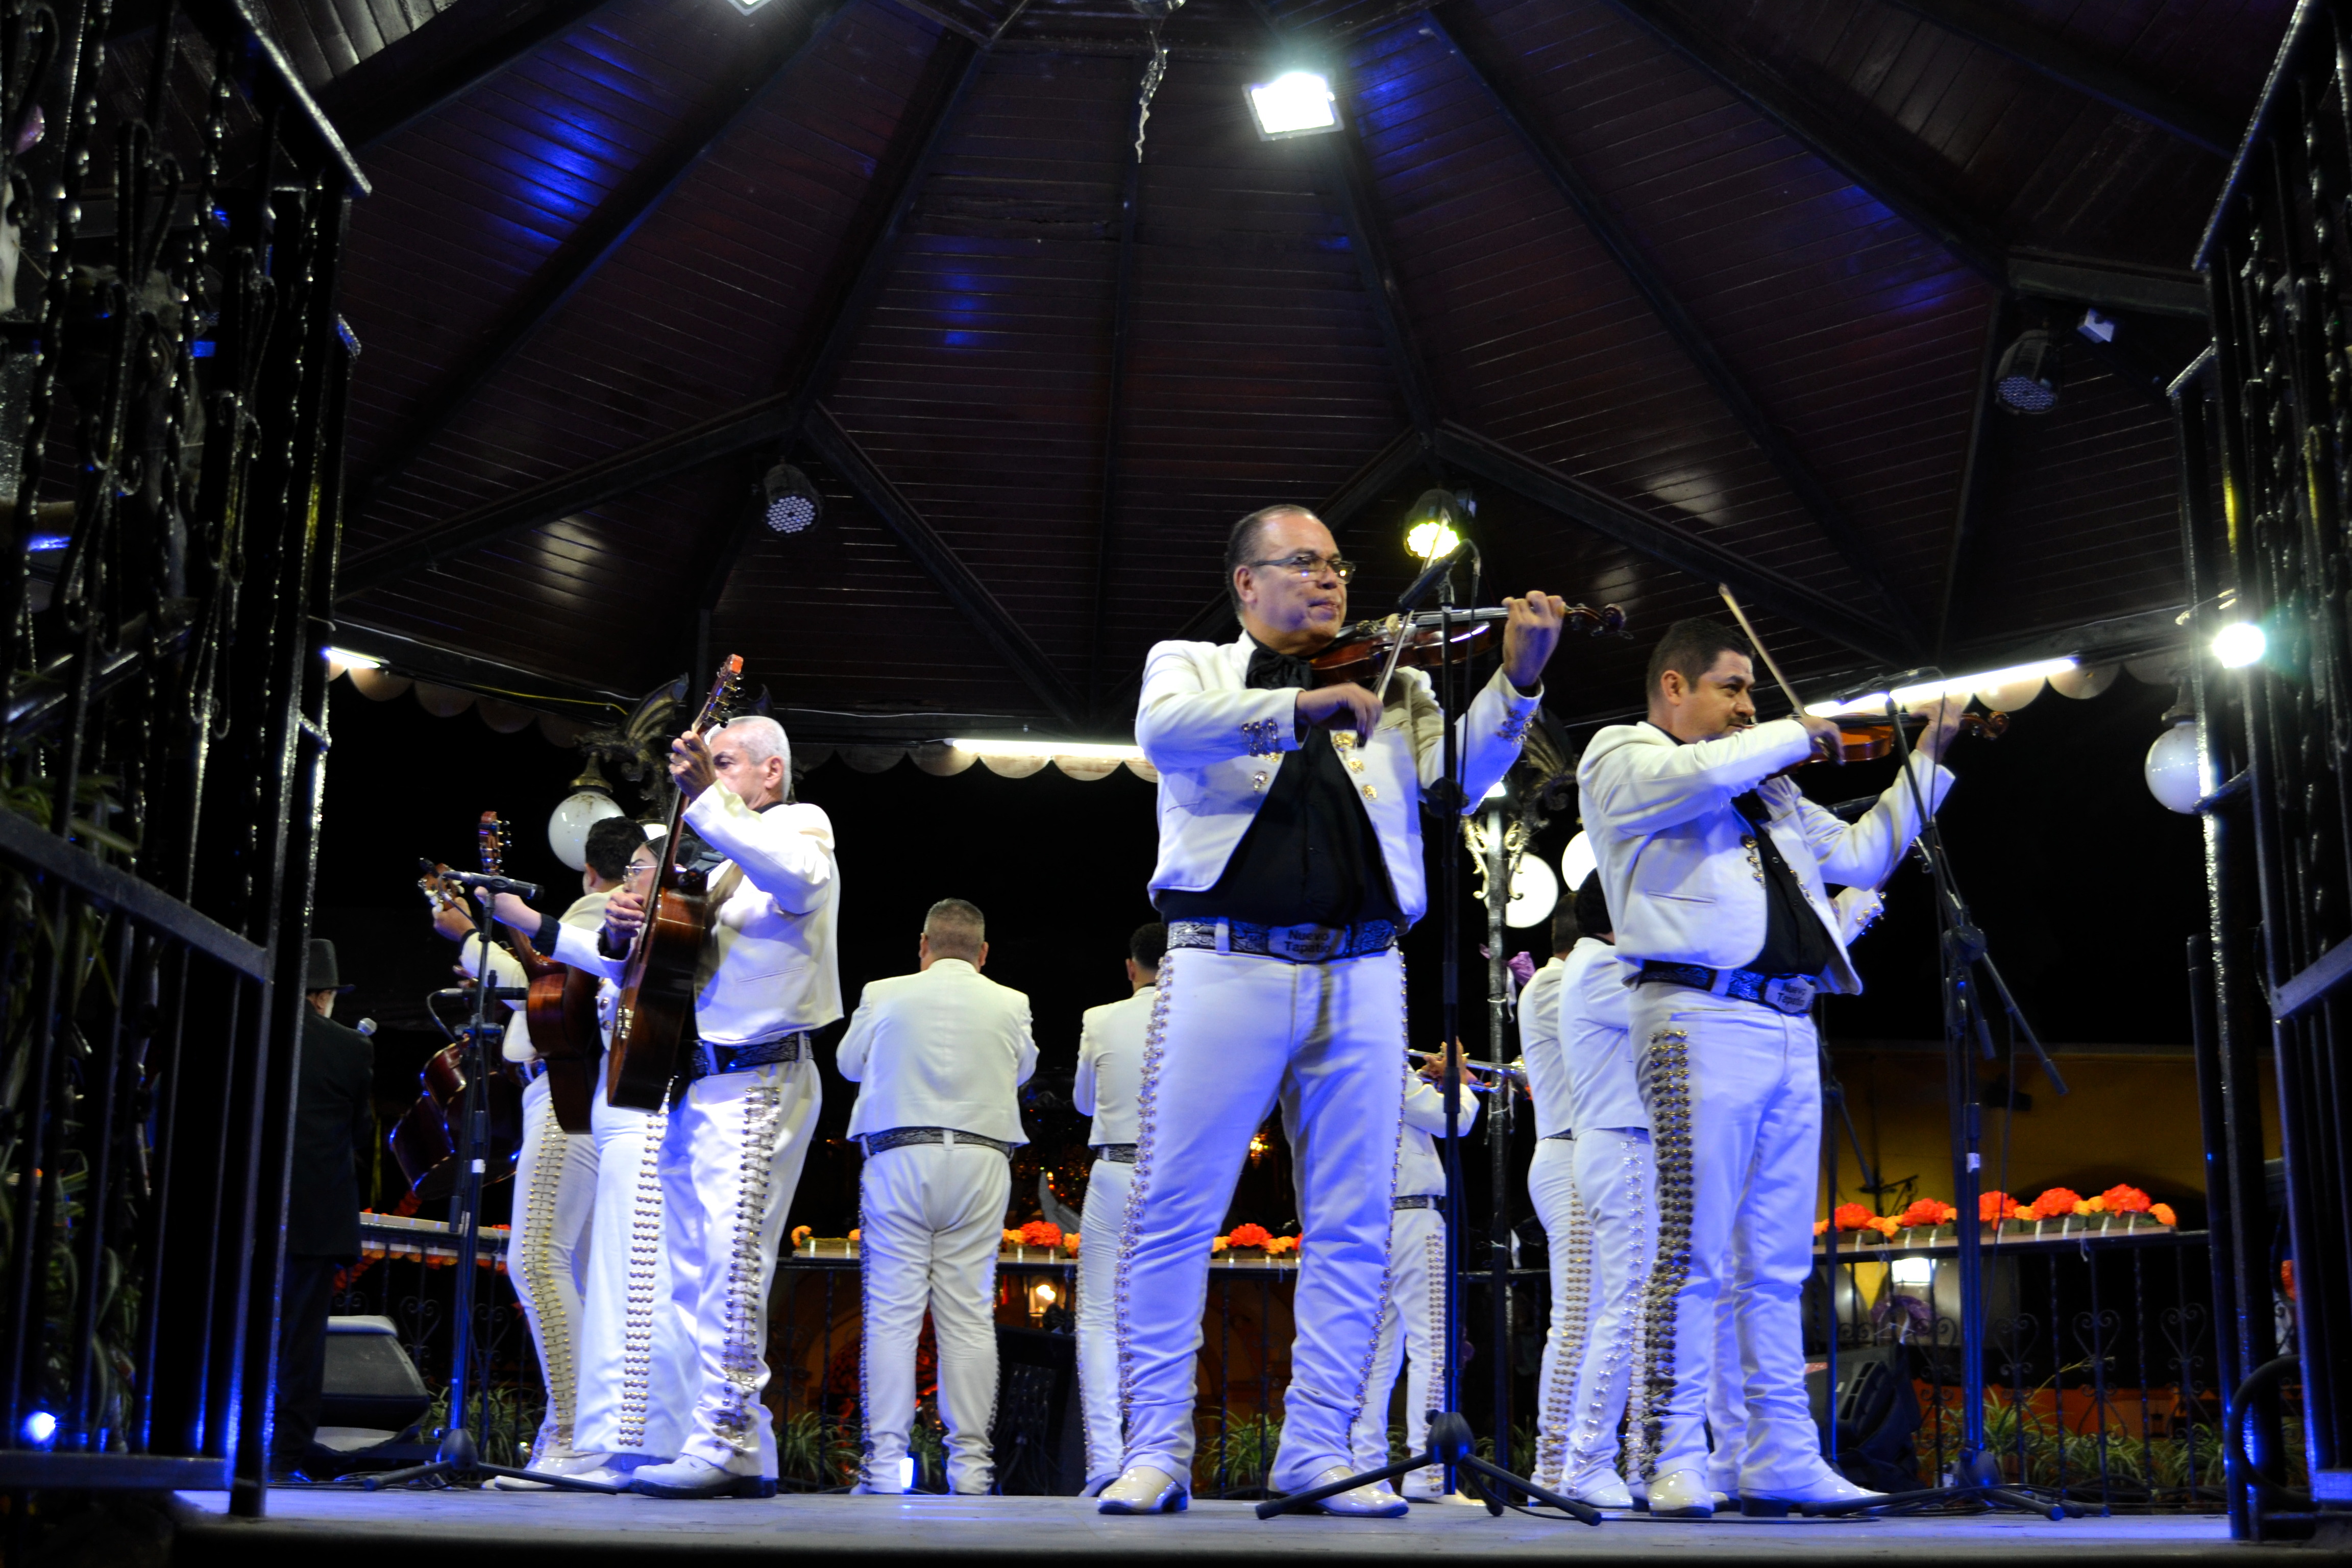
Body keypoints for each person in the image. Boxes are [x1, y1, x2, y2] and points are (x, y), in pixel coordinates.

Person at [1102, 503, 1566, 1517]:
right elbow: (1161, 734)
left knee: (1356, 1223)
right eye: (1304, 564)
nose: (1330, 581)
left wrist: (1517, 681)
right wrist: (1300, 709)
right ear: (1246, 582)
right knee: (1176, 1212)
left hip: (1361, 969)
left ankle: (1319, 1449)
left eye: (1337, 566)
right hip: (1224, 961)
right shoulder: (1192, 662)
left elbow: (1459, 779)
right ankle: (1156, 1450)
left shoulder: (1394, 685)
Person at [1576, 618, 1959, 1518]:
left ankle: (1777, 1451)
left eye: (1752, 691)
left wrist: (1930, 755)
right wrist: (1792, 731)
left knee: (1777, 1260)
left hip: (1787, 1023)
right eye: (1731, 688)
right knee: (1692, 1248)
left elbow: (1862, 853)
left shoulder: (1769, 793)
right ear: (1674, 687)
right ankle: (1671, 1452)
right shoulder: (1621, 753)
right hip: (1694, 1013)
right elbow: (1691, 776)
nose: (1749, 705)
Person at [493, 713, 842, 1499]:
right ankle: (712, 1436)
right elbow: (639, 970)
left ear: (770, 775)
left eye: (724, 765)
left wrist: (705, 803)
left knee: (727, 1261)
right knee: (691, 1270)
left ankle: (731, 1440)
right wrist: (553, 926)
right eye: (705, 768)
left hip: (759, 1078)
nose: (707, 780)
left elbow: (805, 881)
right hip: (699, 1082)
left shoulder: (797, 828)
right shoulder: (717, 871)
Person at [431, 815, 648, 1484]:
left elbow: (535, 984)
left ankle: (577, 1432)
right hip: (574, 1094)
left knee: (535, 1261)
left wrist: (468, 937)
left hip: (561, 1094)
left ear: (591, 871)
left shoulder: (593, 909)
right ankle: (573, 1435)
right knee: (568, 1271)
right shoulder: (604, 912)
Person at [838, 899, 1036, 1496]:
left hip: (900, 1155)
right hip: (979, 1159)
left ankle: (882, 1468)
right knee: (970, 1316)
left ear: (922, 945)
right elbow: (1023, 1070)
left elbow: (849, 1064)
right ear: (983, 953)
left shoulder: (884, 992)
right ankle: (972, 1469)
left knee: (893, 1317)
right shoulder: (1011, 1001)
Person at [1342, 1045, 1479, 1501]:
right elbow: (1455, 1121)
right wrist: (1457, 1077)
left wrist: (1427, 1081)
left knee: (1376, 1356)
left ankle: (1367, 1471)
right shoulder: (1385, 1065)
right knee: (1433, 1347)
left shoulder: (1351, 1065)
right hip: (1412, 1219)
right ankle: (1430, 1474)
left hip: (1370, 1221)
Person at [273, 939, 374, 1476]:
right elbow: (361, 1132)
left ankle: (221, 1439)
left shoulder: (251, 1031)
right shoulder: (350, 1049)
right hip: (314, 1216)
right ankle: (283, 1452)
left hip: (247, 1213)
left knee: (238, 1329)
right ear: (326, 995)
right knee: (299, 1340)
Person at [1071, 921, 1165, 1496]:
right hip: (1174, 1174)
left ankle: (1105, 1461)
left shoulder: (1100, 1018)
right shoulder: (1198, 1018)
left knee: (1099, 1319)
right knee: (1168, 1319)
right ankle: (1157, 1456)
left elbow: (1085, 1099)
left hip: (1114, 1169)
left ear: (1131, 968)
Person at [1517, 904, 1587, 1496]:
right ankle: (1554, 1464)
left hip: (1582, 1153)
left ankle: (1578, 1458)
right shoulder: (1557, 983)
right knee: (1579, 1316)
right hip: (1569, 1155)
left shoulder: (1558, 982)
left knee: (1598, 1316)